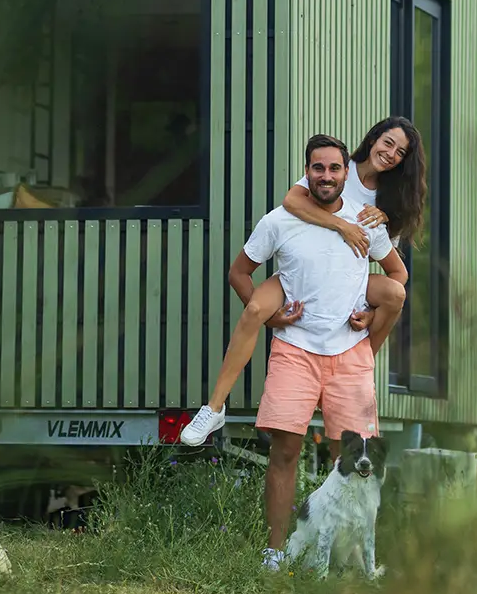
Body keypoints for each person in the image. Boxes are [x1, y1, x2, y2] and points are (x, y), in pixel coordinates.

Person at [192, 134, 408, 568]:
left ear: (347, 174)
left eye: (334, 169)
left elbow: (397, 275)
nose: (326, 176)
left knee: (350, 461)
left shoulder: (367, 220)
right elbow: (239, 273)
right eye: (317, 168)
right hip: (295, 351)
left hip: (350, 356)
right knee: (285, 452)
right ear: (306, 172)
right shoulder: (280, 219)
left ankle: (350, 559)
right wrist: (273, 318)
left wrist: (367, 313)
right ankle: (274, 553)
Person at [180, 116, 425, 446]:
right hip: (301, 271)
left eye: (401, 151)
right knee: (255, 310)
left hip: (347, 279)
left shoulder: (392, 198)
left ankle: (360, 367)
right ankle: (214, 407)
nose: (391, 153)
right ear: (373, 139)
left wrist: (368, 310)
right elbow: (292, 202)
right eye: (388, 142)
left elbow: (387, 261)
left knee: (395, 293)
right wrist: (341, 225)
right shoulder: (337, 166)